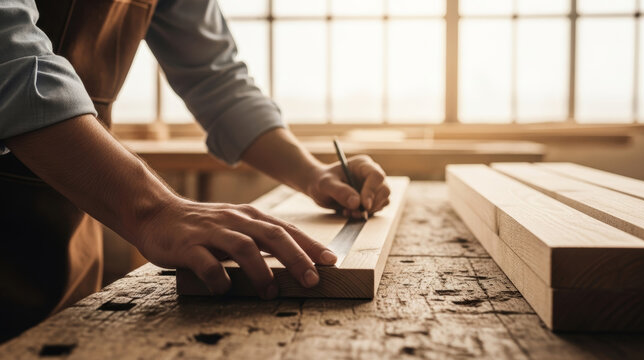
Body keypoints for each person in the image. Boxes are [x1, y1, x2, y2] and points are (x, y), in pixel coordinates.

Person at [0, 0, 391, 342]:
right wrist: (154, 210)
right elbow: (12, 62)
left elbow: (219, 80)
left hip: (72, 222)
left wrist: (312, 173)